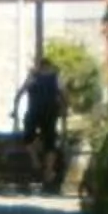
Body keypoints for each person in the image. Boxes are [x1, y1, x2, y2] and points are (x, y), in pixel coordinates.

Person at [14, 57, 67, 190]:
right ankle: (47, 171)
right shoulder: (56, 78)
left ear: (40, 66)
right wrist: (64, 109)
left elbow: (20, 92)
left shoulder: (34, 76)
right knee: (50, 142)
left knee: (28, 137)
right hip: (49, 112)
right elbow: (64, 95)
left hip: (35, 112)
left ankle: (36, 162)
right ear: (49, 66)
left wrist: (15, 109)